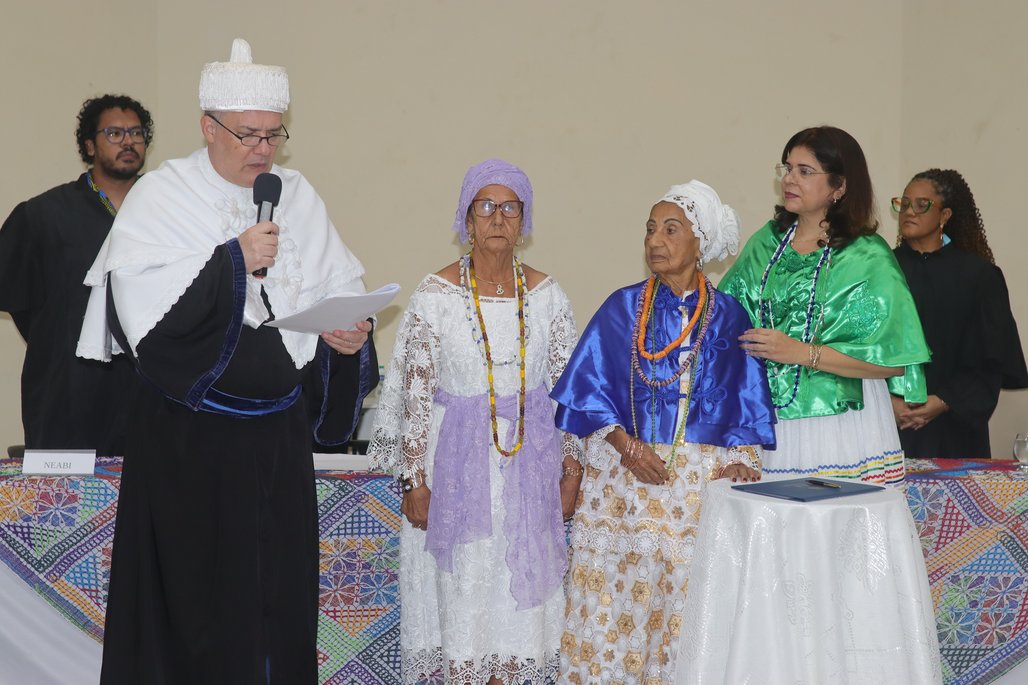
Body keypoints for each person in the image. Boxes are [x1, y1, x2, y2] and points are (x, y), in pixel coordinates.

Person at [75, 39, 378, 683]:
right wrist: (233, 258)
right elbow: (148, 322)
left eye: (274, 134)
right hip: (192, 445)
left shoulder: (296, 193)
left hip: (277, 441)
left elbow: (335, 289)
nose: (264, 150)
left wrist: (350, 334)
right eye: (248, 135)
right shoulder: (163, 195)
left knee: (277, 596)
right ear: (209, 129)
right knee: (197, 605)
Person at [367, 159, 582, 684]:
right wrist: (414, 480)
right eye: (486, 206)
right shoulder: (435, 296)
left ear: (523, 223)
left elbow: (572, 393)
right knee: (464, 595)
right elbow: (415, 394)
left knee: (524, 606)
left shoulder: (548, 295)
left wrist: (572, 469)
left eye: (510, 208)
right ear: (466, 218)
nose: (497, 218)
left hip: (531, 473)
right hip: (455, 473)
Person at [551, 181, 776, 684]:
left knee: (685, 609)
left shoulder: (730, 315)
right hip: (623, 486)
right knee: (611, 613)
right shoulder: (622, 308)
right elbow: (583, 391)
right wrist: (626, 447)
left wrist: (745, 460)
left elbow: (747, 400)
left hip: (695, 491)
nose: (655, 239)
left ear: (701, 243)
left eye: (671, 229)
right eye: (650, 228)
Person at [720, 126, 930, 484]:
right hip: (768, 422)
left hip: (841, 425)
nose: (789, 179)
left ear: (839, 186)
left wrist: (802, 353)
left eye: (805, 171)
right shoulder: (766, 244)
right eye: (787, 168)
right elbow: (724, 321)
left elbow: (892, 363)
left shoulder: (867, 256)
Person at [0, 94, 152, 453]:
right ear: (89, 144)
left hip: (148, 392)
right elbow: (18, 296)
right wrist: (60, 333)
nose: (128, 141)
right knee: (67, 504)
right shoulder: (43, 215)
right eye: (114, 133)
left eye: (136, 132)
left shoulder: (167, 212)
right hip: (68, 391)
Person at [892, 169, 1028, 457]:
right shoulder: (881, 270)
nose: (908, 211)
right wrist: (889, 402)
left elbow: (991, 359)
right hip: (887, 425)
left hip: (953, 427)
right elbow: (857, 348)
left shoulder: (979, 276)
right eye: (903, 203)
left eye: (921, 204)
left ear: (945, 216)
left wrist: (942, 401)